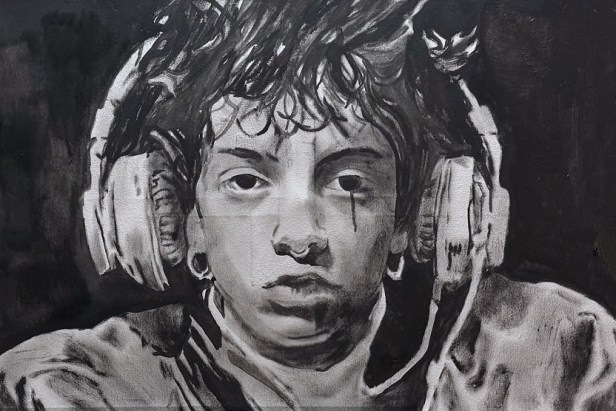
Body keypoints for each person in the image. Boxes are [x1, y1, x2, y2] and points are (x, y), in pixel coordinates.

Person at [1, 0, 616, 409]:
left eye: (347, 181)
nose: (299, 237)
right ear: (177, 222)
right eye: (247, 181)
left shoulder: (559, 364)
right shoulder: (65, 393)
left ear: (419, 217)